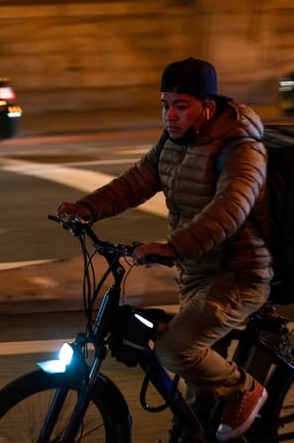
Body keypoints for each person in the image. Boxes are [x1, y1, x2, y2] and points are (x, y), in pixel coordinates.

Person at [57, 57, 272, 442]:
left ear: (207, 108)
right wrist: (87, 208)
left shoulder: (242, 148)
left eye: (180, 105)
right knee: (199, 393)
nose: (169, 115)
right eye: (165, 104)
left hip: (238, 274)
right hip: (195, 272)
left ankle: (246, 389)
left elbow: (230, 209)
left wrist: (172, 247)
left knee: (175, 350)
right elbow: (136, 182)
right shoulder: (172, 142)